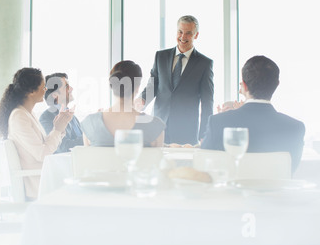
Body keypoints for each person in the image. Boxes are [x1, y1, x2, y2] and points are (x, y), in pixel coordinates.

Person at [201, 55, 305, 173]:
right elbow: (290, 170)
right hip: (276, 191)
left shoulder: (218, 122)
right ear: (276, 85)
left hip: (231, 191)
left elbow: (204, 166)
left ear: (244, 86)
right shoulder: (295, 128)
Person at [0, 67, 73, 199]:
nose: (46, 90)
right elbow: (43, 154)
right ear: (31, 91)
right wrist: (57, 130)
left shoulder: (28, 114)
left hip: (43, 176)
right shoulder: (19, 116)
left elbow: (44, 147)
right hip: (37, 183)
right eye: (43, 87)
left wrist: (60, 127)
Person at [137, 15, 214, 145]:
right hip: (158, 126)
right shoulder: (160, 56)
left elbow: (207, 102)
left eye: (188, 33)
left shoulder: (204, 63)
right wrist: (142, 99)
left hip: (186, 130)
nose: (183, 37)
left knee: (183, 164)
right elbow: (153, 84)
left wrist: (204, 133)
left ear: (196, 35)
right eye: (180, 31)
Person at [81, 60, 165, 147]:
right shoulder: (155, 126)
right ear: (137, 88)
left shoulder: (90, 124)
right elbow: (156, 159)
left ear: (112, 86)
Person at [40, 73, 83, 153]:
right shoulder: (46, 117)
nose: (71, 89)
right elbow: (63, 147)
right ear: (55, 94)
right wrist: (87, 137)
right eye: (66, 86)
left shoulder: (73, 117)